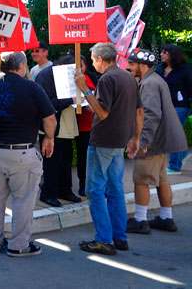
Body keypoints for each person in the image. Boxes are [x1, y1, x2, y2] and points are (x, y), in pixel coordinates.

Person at [0, 51, 56, 258]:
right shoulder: (31, 87)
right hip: (21, 152)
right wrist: (49, 138)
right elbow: (49, 118)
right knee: (23, 200)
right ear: (22, 65)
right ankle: (18, 244)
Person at [74, 42, 143, 256]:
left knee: (95, 190)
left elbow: (102, 113)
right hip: (119, 140)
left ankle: (104, 239)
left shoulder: (107, 79)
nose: (93, 63)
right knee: (115, 189)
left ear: (101, 59)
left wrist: (85, 89)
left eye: (93, 59)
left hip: (103, 140)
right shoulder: (127, 77)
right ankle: (119, 237)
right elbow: (139, 111)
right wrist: (135, 138)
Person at [125, 49, 187, 234]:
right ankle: (166, 218)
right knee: (161, 179)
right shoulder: (155, 79)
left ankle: (140, 220)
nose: (128, 67)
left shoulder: (149, 83)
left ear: (143, 66)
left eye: (132, 64)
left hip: (154, 141)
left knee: (141, 178)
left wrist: (141, 142)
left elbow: (150, 115)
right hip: (163, 140)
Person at [35, 55, 81, 207]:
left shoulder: (66, 75)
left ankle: (65, 190)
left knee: (66, 161)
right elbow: (45, 103)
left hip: (67, 124)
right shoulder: (46, 76)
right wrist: (70, 101)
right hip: (52, 127)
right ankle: (48, 193)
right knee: (52, 162)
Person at [156, 44, 192, 173]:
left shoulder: (185, 69)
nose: (161, 54)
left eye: (164, 52)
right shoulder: (160, 69)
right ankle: (181, 154)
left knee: (173, 133)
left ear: (173, 54)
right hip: (163, 106)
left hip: (180, 106)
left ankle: (174, 166)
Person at [75, 55, 95, 196]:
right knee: (83, 158)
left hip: (95, 125)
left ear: (86, 66)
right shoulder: (69, 81)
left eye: (81, 65)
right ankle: (83, 185)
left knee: (97, 158)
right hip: (80, 126)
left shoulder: (94, 77)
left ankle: (98, 186)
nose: (78, 69)